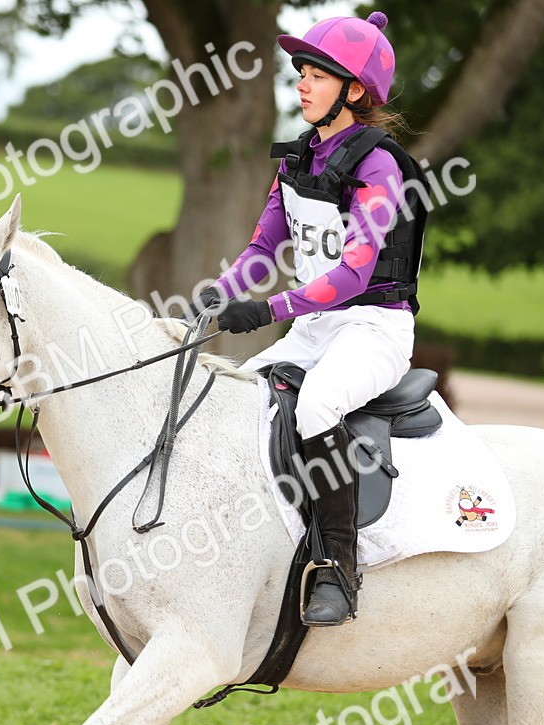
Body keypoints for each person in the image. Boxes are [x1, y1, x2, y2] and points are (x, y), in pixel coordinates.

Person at [191, 11, 427, 626]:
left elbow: (352, 274)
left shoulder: (380, 167)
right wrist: (216, 295)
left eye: (317, 74)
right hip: (315, 327)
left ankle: (337, 571)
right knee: (238, 396)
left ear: (353, 90)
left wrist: (266, 310)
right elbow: (261, 252)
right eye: (300, 71)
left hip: (375, 328)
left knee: (318, 405)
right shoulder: (296, 161)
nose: (301, 83)